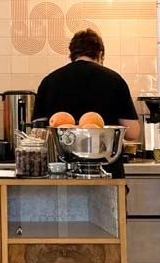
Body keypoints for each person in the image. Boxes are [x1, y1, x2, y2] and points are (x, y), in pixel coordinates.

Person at [34, 29, 141, 177]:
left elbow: (38, 133)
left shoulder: (49, 81)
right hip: (106, 173)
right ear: (100, 54)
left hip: (61, 173)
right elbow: (132, 132)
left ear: (72, 54)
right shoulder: (115, 80)